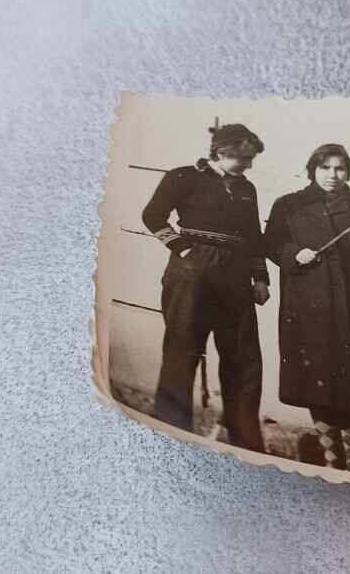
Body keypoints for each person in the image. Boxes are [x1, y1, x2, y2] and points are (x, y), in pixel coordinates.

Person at [140, 123, 271, 452]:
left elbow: (253, 237)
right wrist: (185, 251)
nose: (248, 165)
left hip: (236, 279)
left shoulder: (247, 189)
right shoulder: (182, 177)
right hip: (190, 276)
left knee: (244, 359)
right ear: (221, 150)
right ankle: (171, 435)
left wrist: (260, 278)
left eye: (251, 159)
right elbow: (152, 215)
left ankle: (245, 443)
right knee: (182, 353)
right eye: (243, 157)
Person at [264, 144, 350, 473]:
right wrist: (293, 253)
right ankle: (333, 463)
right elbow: (271, 245)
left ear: (349, 172)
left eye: (340, 169)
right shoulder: (289, 206)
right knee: (317, 383)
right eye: (325, 168)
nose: (333, 176)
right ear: (312, 170)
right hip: (308, 307)